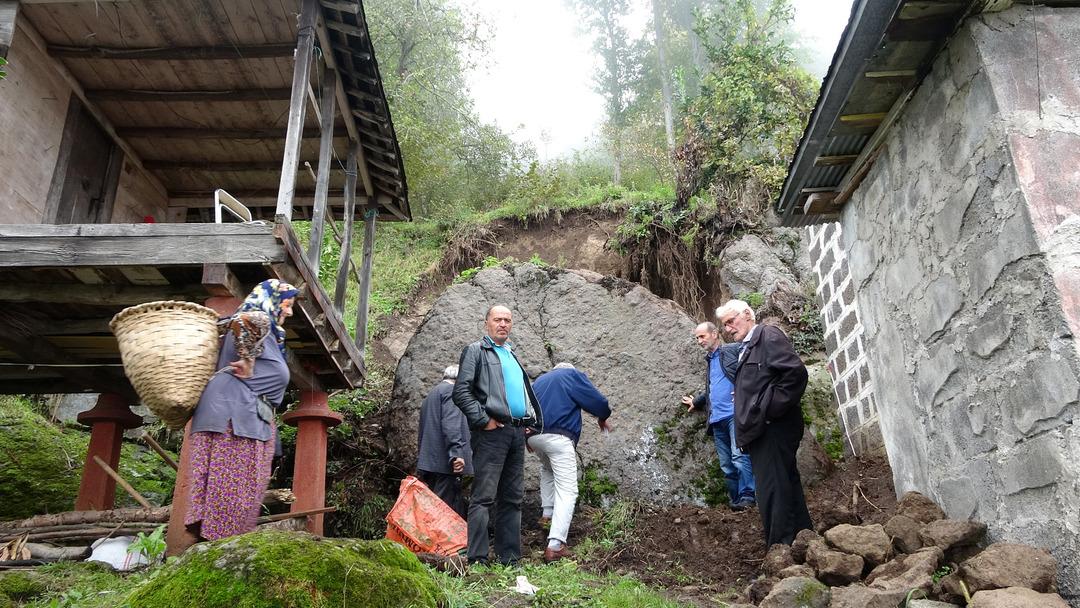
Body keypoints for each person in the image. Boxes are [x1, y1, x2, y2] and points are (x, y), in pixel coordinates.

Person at [185, 279, 299, 540]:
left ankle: (214, 551)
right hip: (233, 418)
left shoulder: (269, 335)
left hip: (241, 416)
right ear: (271, 299)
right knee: (231, 494)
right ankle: (217, 554)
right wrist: (247, 359)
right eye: (288, 304)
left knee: (236, 495)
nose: (290, 312)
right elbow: (246, 319)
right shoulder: (257, 318)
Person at [452, 305, 544, 565]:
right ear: (486, 324)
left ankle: (510, 558)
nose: (503, 324)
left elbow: (518, 394)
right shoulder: (475, 351)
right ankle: (478, 558)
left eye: (507, 320)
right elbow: (461, 392)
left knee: (513, 497)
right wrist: (483, 420)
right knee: (483, 496)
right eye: (498, 320)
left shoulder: (511, 354)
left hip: (516, 432)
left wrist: (528, 421)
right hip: (492, 432)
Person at [716, 299, 812, 546]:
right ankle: (804, 541)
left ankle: (780, 548)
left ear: (748, 314)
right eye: (725, 325)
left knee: (772, 489)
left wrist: (767, 410)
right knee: (784, 483)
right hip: (764, 429)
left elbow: (796, 373)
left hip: (773, 427)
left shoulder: (766, 336)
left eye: (731, 321)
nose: (728, 329)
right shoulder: (748, 347)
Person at [528, 362, 612, 562]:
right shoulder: (570, 375)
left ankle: (547, 514)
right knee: (568, 490)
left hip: (534, 435)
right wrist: (603, 416)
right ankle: (556, 544)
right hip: (558, 436)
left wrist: (526, 437)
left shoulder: (539, 381)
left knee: (547, 470)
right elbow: (596, 400)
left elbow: (525, 407)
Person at [681, 322, 756, 511]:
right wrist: (696, 402)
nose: (699, 341)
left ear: (714, 334)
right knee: (726, 465)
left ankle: (748, 496)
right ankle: (736, 500)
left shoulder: (732, 350)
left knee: (739, 456)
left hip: (734, 415)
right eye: (697, 338)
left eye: (702, 336)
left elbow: (753, 361)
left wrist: (745, 390)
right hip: (716, 420)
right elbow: (712, 388)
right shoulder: (710, 360)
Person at [416, 365, 473, 518]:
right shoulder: (452, 392)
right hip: (445, 463)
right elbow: (451, 424)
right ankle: (437, 542)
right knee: (442, 511)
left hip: (431, 462)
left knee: (438, 505)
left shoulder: (432, 394)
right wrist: (457, 453)